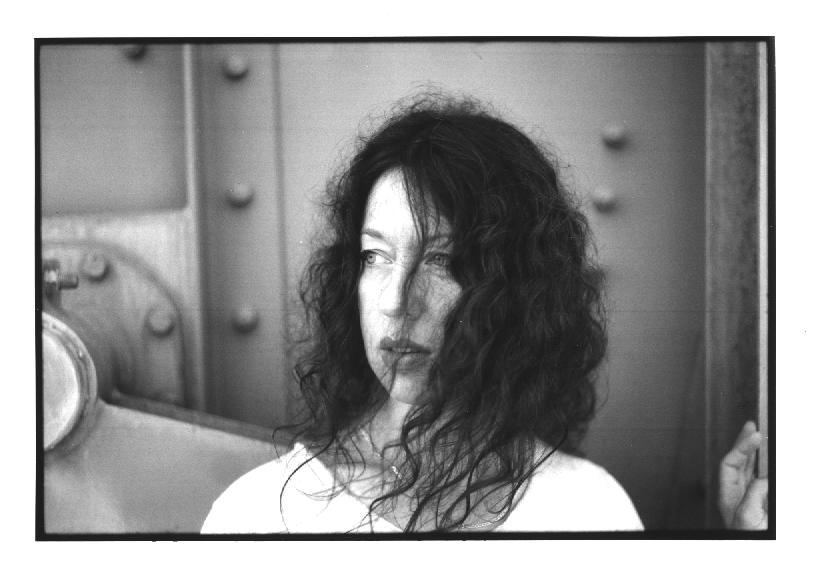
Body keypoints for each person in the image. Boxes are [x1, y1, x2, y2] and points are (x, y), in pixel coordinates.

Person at [201, 95, 767, 533]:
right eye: (375, 256)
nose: (396, 300)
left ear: (518, 288)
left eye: (442, 260)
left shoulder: (588, 508)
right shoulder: (263, 513)